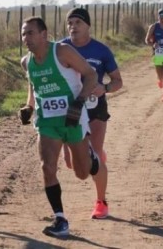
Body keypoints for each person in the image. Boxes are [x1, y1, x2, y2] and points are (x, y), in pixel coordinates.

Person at [19, 16, 101, 237]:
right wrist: (29, 106)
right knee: (47, 167)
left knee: (82, 173)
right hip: (47, 122)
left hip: (73, 118)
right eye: (24, 33)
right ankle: (61, 219)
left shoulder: (62, 52)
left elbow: (91, 75)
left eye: (31, 33)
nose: (26, 38)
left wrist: (79, 102)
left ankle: (91, 156)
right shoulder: (26, 62)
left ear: (44, 34)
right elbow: (33, 85)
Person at [60, 7, 123, 219]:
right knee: (74, 164)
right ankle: (95, 155)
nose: (73, 27)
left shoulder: (101, 50)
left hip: (95, 108)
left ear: (88, 25)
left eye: (78, 23)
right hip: (71, 110)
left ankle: (101, 202)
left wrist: (104, 88)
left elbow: (118, 81)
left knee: (94, 157)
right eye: (70, 23)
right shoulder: (60, 49)